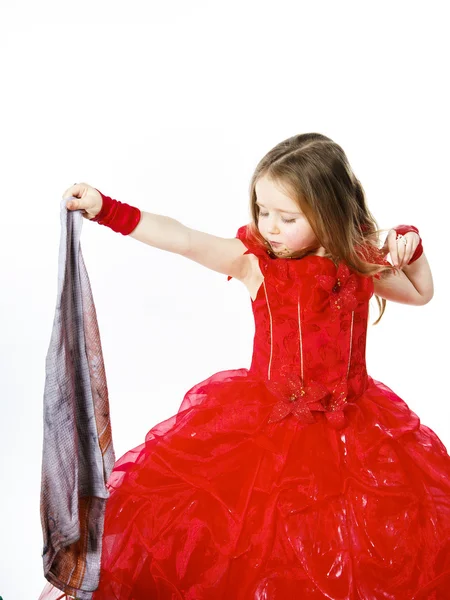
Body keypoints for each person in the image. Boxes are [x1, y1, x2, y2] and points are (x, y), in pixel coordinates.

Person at [40, 133, 449, 599]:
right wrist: (107, 208)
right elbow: (183, 239)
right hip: (268, 427)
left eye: (287, 216)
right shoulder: (255, 263)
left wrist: (412, 250)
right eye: (263, 210)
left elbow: (420, 293)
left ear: (329, 211)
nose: (269, 225)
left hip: (354, 429)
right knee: (257, 541)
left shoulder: (357, 264)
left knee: (352, 536)